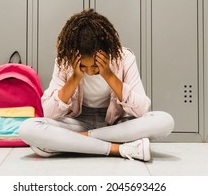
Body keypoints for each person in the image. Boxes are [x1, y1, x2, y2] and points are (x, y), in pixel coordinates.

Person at [19, 9, 174, 161]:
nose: (90, 72)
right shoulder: (65, 62)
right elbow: (47, 112)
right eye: (84, 68)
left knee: (165, 121)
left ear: (108, 52)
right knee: (27, 128)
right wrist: (75, 77)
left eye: (95, 67)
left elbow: (142, 109)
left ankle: (76, 142)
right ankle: (118, 149)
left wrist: (108, 74)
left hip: (115, 125)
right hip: (78, 122)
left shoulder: (124, 58)